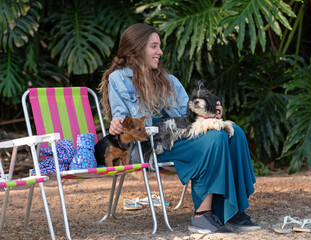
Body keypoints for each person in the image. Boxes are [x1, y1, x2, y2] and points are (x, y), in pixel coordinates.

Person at [99, 23, 260, 234]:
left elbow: (190, 117)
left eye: (160, 46)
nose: (160, 52)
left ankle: (233, 209)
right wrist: (116, 123)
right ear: (136, 50)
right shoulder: (118, 79)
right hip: (150, 145)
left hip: (180, 136)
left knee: (234, 132)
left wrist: (211, 113)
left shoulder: (169, 81)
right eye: (154, 46)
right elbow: (122, 119)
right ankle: (202, 215)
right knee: (214, 139)